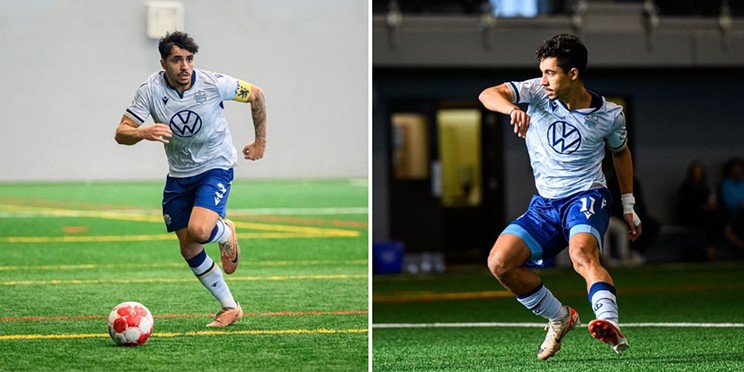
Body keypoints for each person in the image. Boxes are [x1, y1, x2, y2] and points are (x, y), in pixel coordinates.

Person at [479, 34, 641, 360]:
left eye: (551, 72)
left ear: (573, 73)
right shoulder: (538, 93)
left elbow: (621, 154)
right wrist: (512, 109)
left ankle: (608, 322)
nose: (544, 79)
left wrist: (628, 204)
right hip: (545, 204)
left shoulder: (610, 115)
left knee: (582, 256)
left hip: (586, 197)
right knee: (499, 263)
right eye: (542, 72)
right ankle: (560, 317)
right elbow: (487, 94)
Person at [114, 31, 267, 327]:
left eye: (189, 59)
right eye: (176, 60)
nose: (184, 66)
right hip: (179, 174)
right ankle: (229, 307)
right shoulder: (150, 90)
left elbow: (256, 93)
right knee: (189, 247)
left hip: (216, 165)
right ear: (163, 62)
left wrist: (260, 142)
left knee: (199, 231)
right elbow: (121, 132)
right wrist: (142, 132)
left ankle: (224, 232)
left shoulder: (213, 84)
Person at [676, 160, 725, 260]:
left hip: (705, 218)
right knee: (712, 219)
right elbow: (685, 206)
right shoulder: (685, 187)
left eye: (699, 171)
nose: (697, 173)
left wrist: (709, 206)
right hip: (689, 217)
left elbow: (711, 201)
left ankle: (711, 252)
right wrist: (702, 207)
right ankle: (730, 237)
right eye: (695, 171)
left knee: (712, 219)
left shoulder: (705, 187)